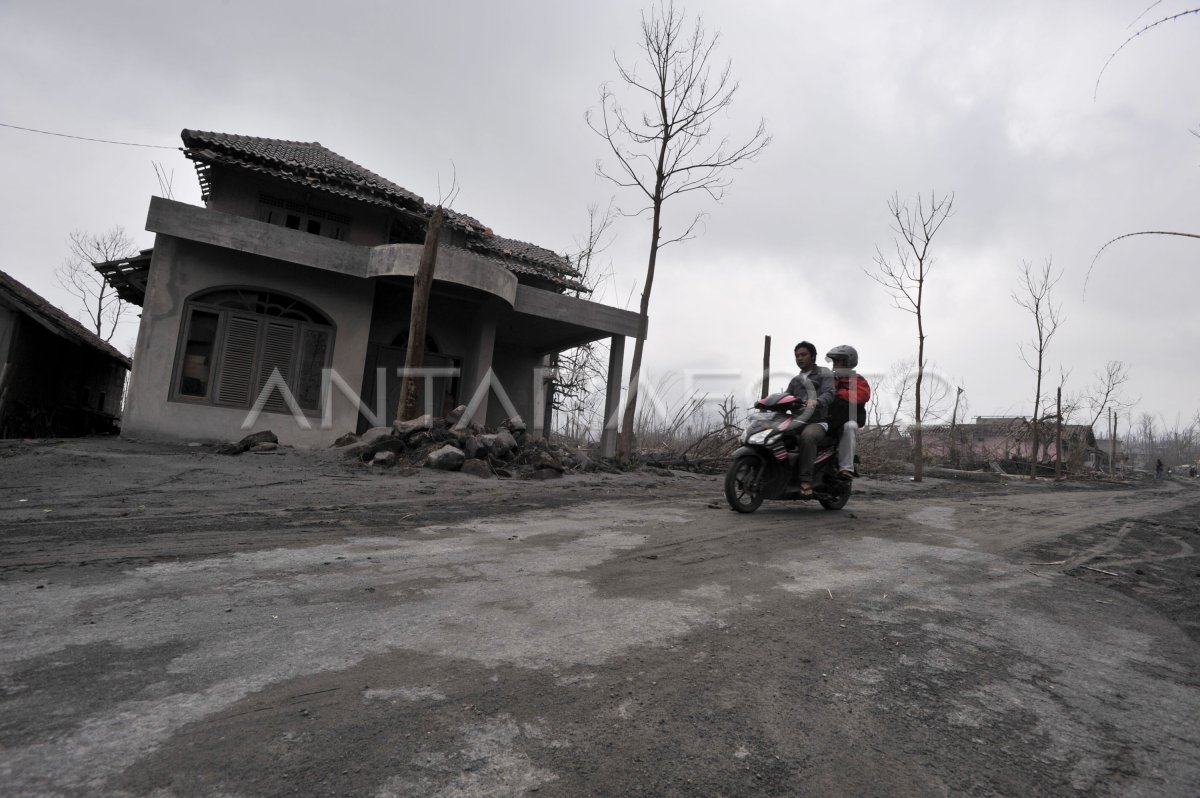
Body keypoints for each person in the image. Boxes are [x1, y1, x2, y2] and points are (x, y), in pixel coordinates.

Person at [785, 341, 835, 496]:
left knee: (808, 436)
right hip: (796, 421)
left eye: (803, 355)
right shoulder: (795, 380)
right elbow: (786, 396)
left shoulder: (824, 373)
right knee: (772, 435)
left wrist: (817, 401)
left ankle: (806, 480)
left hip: (817, 421)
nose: (799, 358)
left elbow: (830, 392)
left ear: (813, 357)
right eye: (797, 356)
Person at [824, 344, 871, 480]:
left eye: (839, 361)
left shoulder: (857, 379)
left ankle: (846, 468)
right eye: (835, 361)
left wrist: (839, 393)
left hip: (849, 417)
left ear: (848, 362)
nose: (836, 364)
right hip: (830, 418)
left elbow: (863, 395)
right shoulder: (828, 379)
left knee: (850, 427)